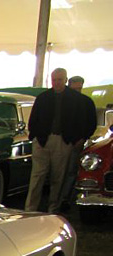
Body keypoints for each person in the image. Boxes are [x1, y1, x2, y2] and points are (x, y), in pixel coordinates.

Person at [26, 68, 96, 213]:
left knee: (58, 177)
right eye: (54, 80)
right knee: (37, 177)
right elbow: (33, 119)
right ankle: (30, 209)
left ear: (65, 80)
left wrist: (77, 138)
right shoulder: (43, 97)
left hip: (63, 141)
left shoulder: (76, 100)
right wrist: (35, 136)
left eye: (59, 80)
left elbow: (83, 121)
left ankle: (53, 208)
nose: (57, 83)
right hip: (42, 139)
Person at [58, 75, 93, 208]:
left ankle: (64, 198)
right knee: (61, 170)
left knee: (70, 171)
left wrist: (83, 137)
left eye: (80, 88)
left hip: (76, 141)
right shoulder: (61, 100)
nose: (77, 90)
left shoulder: (86, 102)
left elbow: (91, 123)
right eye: (75, 88)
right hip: (62, 140)